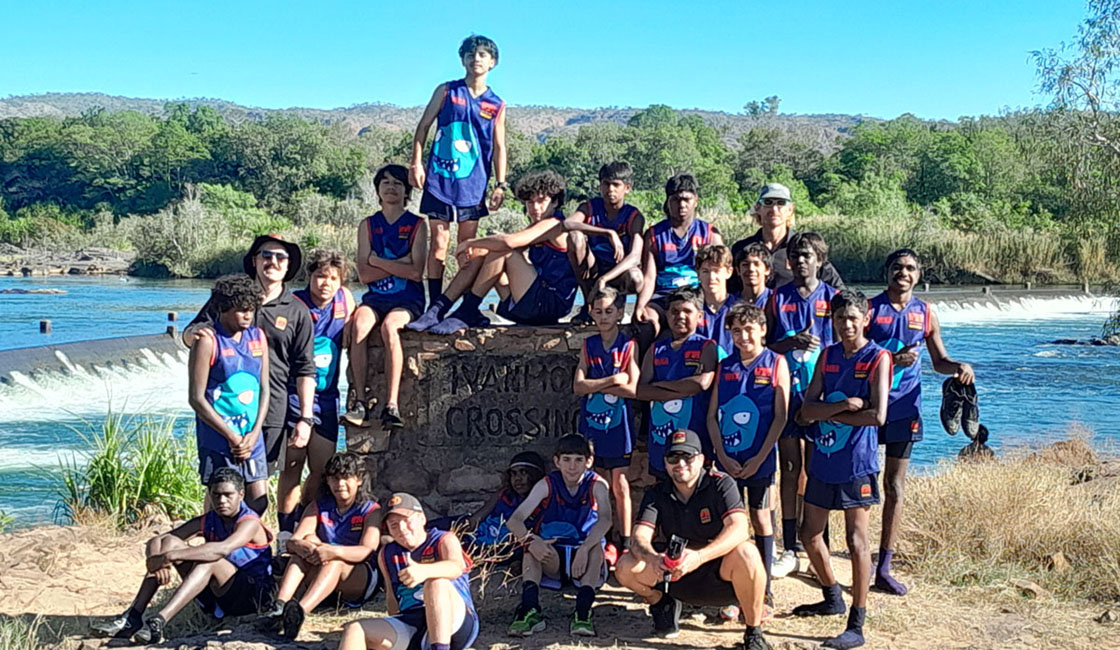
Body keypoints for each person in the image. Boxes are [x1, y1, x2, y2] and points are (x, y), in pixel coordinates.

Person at [866, 249, 975, 595]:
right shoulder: (869, 309)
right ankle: (858, 555)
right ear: (887, 272)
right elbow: (854, 353)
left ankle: (884, 565)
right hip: (868, 408)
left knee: (895, 487)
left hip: (905, 408)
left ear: (918, 274)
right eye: (897, 266)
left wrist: (959, 366)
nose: (903, 272)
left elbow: (938, 359)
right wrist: (892, 359)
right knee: (862, 487)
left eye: (910, 268)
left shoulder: (926, 313)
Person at [793, 290, 891, 650]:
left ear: (866, 319)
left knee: (856, 541)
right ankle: (831, 594)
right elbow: (806, 410)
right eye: (840, 319)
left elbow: (877, 416)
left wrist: (828, 410)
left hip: (857, 465)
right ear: (831, 321)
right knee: (810, 535)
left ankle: (857, 620)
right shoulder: (827, 355)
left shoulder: (878, 357)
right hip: (823, 458)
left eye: (853, 318)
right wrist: (847, 405)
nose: (847, 325)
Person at [615, 429, 772, 650]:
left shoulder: (721, 484)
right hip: (674, 572)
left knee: (748, 553)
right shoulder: (657, 492)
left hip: (718, 570)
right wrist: (652, 558)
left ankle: (753, 634)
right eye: (673, 458)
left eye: (687, 457)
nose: (680, 463)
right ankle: (661, 603)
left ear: (701, 460)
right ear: (665, 463)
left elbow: (739, 528)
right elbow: (639, 536)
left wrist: (699, 557)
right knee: (626, 566)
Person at [183, 234, 316, 485]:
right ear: (254, 261)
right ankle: (213, 526)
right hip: (223, 412)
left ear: (288, 266)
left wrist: (305, 418)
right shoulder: (228, 297)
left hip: (272, 409)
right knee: (221, 488)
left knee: (259, 486)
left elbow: (305, 369)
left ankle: (258, 526)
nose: (272, 261)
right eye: (266, 255)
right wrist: (194, 336)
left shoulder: (297, 310)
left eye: (280, 257)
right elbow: (191, 334)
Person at [90, 468, 274, 643]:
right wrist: (159, 560)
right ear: (209, 494)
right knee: (169, 542)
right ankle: (133, 616)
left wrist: (168, 557)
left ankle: (160, 620)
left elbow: (222, 549)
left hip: (252, 597)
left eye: (228, 495)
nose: (222, 501)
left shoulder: (249, 522)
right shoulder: (210, 519)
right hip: (219, 593)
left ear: (241, 495)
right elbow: (160, 540)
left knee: (209, 561)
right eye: (216, 495)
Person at [409, 170, 577, 333]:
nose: (535, 208)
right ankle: (438, 309)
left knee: (503, 250)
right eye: (530, 202)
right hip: (530, 304)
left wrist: (468, 243)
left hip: (550, 304)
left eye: (541, 201)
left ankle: (468, 309)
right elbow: (501, 247)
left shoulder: (554, 225)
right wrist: (476, 251)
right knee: (485, 251)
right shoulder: (536, 228)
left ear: (554, 202)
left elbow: (508, 243)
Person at [409, 35, 507, 308]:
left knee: (468, 248)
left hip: (473, 185)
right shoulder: (446, 91)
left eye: (483, 54)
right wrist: (416, 163)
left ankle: (464, 308)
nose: (476, 59)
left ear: (493, 62)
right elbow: (423, 127)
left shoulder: (496, 104)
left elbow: (500, 146)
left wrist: (500, 184)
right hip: (439, 179)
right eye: (470, 54)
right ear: (462, 59)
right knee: (439, 243)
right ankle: (434, 305)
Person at [765, 231, 839, 577]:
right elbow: (764, 346)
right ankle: (790, 545)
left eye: (807, 255)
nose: (800, 261)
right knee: (790, 469)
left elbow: (842, 347)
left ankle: (817, 543)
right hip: (786, 392)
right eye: (795, 255)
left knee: (817, 470)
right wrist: (788, 341)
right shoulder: (777, 297)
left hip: (821, 396)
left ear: (820, 260)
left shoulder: (833, 298)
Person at [707, 303, 789, 610]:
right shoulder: (725, 366)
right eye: (736, 331)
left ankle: (764, 588)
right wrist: (722, 456)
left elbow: (780, 418)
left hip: (761, 459)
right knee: (729, 523)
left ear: (763, 330)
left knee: (760, 518)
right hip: (728, 459)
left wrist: (759, 458)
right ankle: (730, 592)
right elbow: (712, 416)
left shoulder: (775, 362)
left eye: (749, 330)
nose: (743, 337)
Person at [277, 250, 355, 540]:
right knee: (291, 468)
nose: (326, 283)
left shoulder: (343, 300)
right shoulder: (293, 303)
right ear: (309, 276)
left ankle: (304, 520)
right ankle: (285, 532)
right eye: (320, 275)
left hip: (327, 398)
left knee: (322, 472)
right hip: (292, 398)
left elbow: (350, 305)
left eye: (333, 278)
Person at [344, 164, 429, 430]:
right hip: (376, 298)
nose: (391, 187)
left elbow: (416, 272)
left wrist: (377, 260)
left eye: (397, 183)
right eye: (386, 183)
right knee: (359, 325)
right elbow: (365, 276)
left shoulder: (417, 225)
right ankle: (359, 400)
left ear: (406, 191)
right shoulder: (368, 225)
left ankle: (391, 404)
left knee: (390, 328)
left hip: (408, 299)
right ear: (378, 190)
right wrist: (397, 262)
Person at [339, 493, 478, 650]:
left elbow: (456, 567)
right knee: (355, 629)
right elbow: (392, 599)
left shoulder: (443, 539)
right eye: (394, 525)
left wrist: (423, 571)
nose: (402, 529)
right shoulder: (386, 554)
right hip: (412, 622)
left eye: (406, 520)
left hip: (454, 621)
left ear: (422, 518)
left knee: (435, 582)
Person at [506, 435, 613, 637]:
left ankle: (583, 611)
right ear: (557, 461)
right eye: (566, 459)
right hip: (553, 555)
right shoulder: (548, 484)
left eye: (578, 460)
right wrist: (531, 541)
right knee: (532, 548)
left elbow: (606, 519)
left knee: (597, 546)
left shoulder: (597, 484)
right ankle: (530, 610)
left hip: (583, 553)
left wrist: (584, 548)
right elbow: (515, 520)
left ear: (588, 462)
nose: (572, 467)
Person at [266, 452, 381, 640]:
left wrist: (331, 551)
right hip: (323, 572)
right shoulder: (318, 506)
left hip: (358, 576)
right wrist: (309, 548)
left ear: (359, 480)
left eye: (346, 478)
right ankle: (279, 606)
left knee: (334, 562)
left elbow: (366, 550)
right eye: (334, 479)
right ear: (327, 481)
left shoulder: (370, 509)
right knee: (302, 550)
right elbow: (293, 542)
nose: (340, 484)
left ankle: (299, 613)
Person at [187, 274, 270, 513]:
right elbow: (196, 398)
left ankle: (246, 548)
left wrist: (255, 434)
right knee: (221, 501)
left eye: (251, 310)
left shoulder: (258, 337)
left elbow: (265, 389)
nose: (248, 316)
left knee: (259, 501)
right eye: (241, 310)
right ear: (223, 309)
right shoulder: (208, 341)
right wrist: (231, 436)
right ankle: (213, 546)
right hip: (219, 439)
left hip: (251, 436)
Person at [573, 286, 639, 550]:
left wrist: (593, 384)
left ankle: (625, 541)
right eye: (598, 312)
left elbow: (632, 388)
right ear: (591, 313)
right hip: (592, 424)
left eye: (609, 311)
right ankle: (598, 538)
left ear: (620, 313)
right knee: (596, 482)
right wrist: (611, 380)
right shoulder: (588, 345)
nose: (603, 317)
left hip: (618, 425)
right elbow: (578, 386)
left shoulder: (628, 346)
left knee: (619, 484)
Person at [637, 288, 718, 478]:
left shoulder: (707, 346)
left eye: (687, 311)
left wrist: (659, 386)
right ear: (667, 315)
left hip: (696, 436)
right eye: (674, 311)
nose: (680, 316)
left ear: (699, 316)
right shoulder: (655, 349)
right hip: (661, 438)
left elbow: (700, 384)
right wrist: (682, 389)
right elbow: (640, 390)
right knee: (663, 493)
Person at [563, 161, 646, 323]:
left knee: (636, 277)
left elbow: (636, 257)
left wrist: (605, 279)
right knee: (574, 237)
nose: (610, 190)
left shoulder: (633, 216)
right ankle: (589, 306)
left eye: (616, 185)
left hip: (618, 272)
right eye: (606, 184)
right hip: (593, 268)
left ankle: (620, 308)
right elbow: (567, 224)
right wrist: (608, 233)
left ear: (627, 188)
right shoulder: (590, 207)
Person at [635, 173, 723, 324]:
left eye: (686, 199)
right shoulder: (654, 235)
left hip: (697, 296)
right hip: (663, 296)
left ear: (696, 201)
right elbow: (649, 277)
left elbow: (720, 273)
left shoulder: (710, 234)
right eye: (676, 199)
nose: (681, 205)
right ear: (668, 202)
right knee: (647, 323)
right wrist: (641, 306)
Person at [728, 183, 844, 293]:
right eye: (768, 202)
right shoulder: (741, 248)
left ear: (790, 209)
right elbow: (729, 290)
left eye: (781, 203)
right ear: (758, 207)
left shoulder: (804, 247)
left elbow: (838, 290)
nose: (774, 209)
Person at [428, 450, 548, 554]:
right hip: (476, 535)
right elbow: (475, 520)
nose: (518, 479)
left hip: (496, 548)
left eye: (524, 473)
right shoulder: (503, 495)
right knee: (432, 529)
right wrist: (456, 530)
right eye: (514, 474)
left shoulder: (541, 505)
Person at [695, 244, 739, 359]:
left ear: (729, 272)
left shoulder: (738, 307)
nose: (711, 277)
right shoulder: (692, 308)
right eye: (705, 271)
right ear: (698, 274)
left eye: (716, 271)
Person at [735, 242, 772, 308]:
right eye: (745, 265)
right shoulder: (731, 303)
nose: (751, 269)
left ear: (767, 270)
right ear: (738, 270)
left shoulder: (775, 300)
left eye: (756, 264)